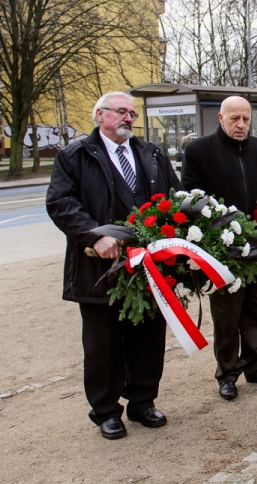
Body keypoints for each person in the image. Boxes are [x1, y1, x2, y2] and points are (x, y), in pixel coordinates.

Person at [46, 91, 181, 440]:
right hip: (98, 267)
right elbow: (60, 203)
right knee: (102, 344)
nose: (128, 118)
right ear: (99, 115)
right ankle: (106, 411)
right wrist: (94, 236)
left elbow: (174, 197)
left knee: (148, 337)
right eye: (121, 111)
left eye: (131, 112)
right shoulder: (74, 156)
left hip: (149, 265)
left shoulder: (151, 154)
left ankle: (142, 401)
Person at [181, 96, 257, 402]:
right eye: (235, 119)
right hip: (221, 249)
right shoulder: (199, 151)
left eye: (245, 119)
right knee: (227, 316)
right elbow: (189, 196)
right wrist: (213, 230)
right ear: (220, 118)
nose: (241, 125)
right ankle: (227, 373)